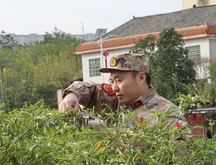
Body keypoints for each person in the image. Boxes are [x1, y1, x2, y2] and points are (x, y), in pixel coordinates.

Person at [58, 53, 187, 131]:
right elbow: (92, 90)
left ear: (141, 77)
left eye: (119, 81)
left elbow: (183, 156)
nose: (114, 88)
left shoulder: (167, 114)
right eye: (112, 82)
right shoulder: (117, 103)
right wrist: (72, 94)